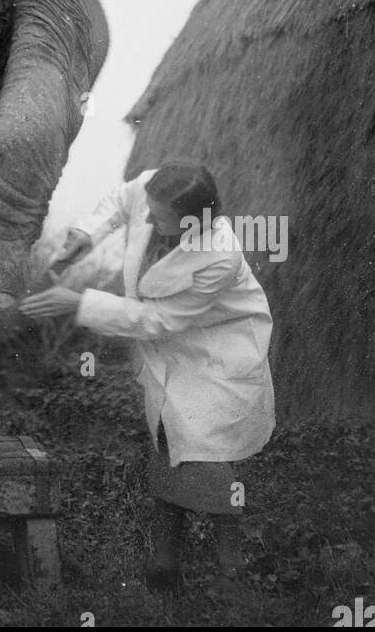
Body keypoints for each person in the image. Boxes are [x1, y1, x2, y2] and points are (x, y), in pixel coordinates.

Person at [21, 163, 275, 592]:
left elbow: (158, 319)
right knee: (166, 444)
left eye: (160, 217)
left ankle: (231, 568)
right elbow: (125, 200)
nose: (150, 221)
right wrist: (85, 235)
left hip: (217, 357)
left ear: (195, 219)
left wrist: (80, 302)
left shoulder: (218, 256)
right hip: (170, 355)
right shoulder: (157, 187)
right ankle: (165, 563)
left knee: (207, 457)